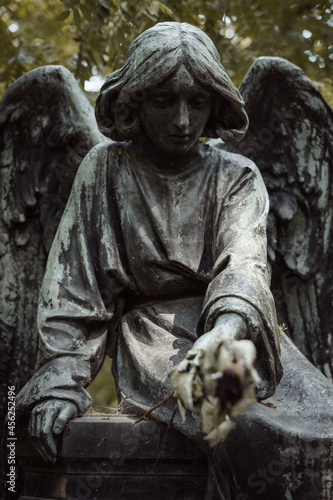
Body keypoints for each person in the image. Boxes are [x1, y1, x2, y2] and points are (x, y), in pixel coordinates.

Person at [16, 22, 333, 499]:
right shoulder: (104, 170)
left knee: (320, 438)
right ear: (133, 103)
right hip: (156, 342)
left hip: (235, 332)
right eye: (164, 101)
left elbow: (245, 265)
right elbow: (73, 292)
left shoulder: (236, 175)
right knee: (250, 431)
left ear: (215, 105)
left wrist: (224, 331)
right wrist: (59, 382)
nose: (183, 120)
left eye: (197, 102)